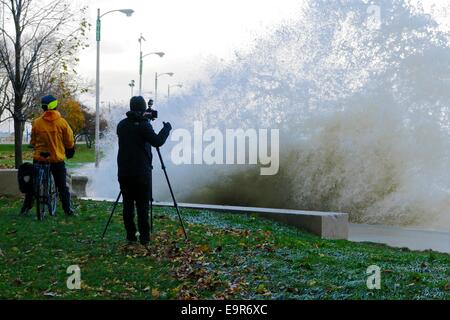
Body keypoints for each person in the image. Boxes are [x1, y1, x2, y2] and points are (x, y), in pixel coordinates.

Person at [117, 96, 172, 246]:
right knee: (142, 206)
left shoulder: (121, 125)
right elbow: (157, 142)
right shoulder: (143, 125)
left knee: (127, 204)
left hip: (124, 171)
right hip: (141, 172)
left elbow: (134, 133)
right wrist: (166, 129)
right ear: (142, 109)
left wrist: (143, 118)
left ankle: (130, 236)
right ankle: (145, 238)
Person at [21, 95, 76, 215]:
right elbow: (69, 141)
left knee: (33, 184)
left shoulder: (36, 122)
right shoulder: (62, 123)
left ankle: (27, 206)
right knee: (62, 186)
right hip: (56, 159)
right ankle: (68, 209)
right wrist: (70, 150)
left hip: (40, 158)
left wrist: (33, 144)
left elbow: (33, 140)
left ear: (43, 107)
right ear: (55, 106)